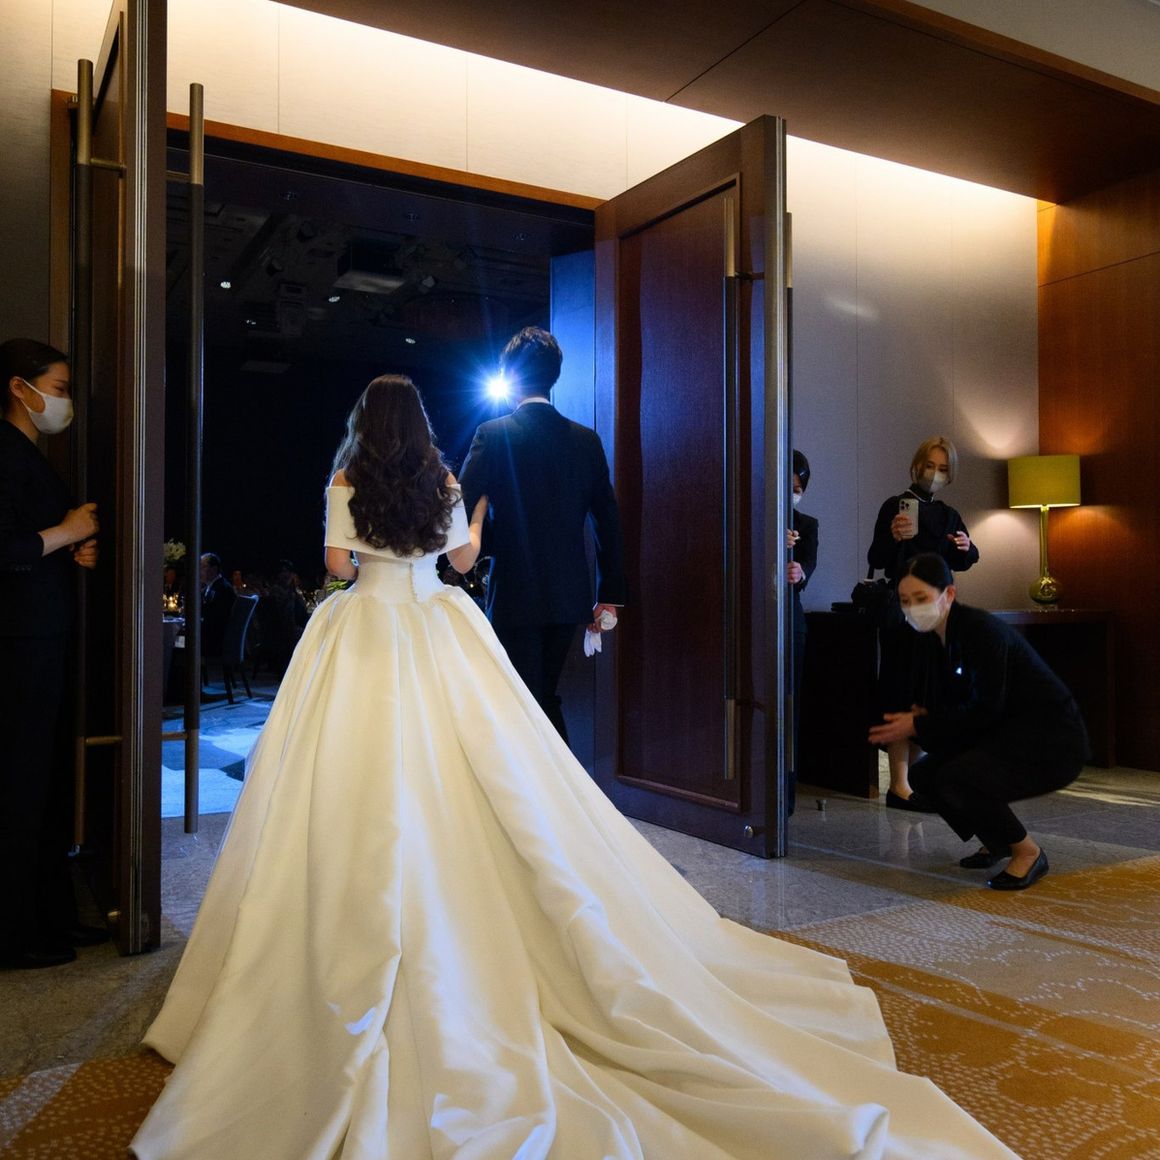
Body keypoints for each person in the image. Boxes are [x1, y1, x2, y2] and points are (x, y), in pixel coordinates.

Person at [130, 373, 1016, 1159]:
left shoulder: (344, 480)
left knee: (351, 782)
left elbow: (337, 564)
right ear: (421, 425)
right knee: (488, 767)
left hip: (362, 628)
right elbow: (462, 562)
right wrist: (470, 525)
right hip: (438, 627)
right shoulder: (442, 480)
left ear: (365, 424)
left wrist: (373, 555)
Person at [869, 553, 1087, 890]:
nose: (912, 608)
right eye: (905, 601)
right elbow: (950, 706)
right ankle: (996, 840)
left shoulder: (981, 631)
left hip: (1050, 741)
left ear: (948, 594)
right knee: (924, 775)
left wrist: (921, 725)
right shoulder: (933, 638)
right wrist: (923, 718)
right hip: (1002, 734)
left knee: (958, 777)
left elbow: (985, 709)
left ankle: (1028, 853)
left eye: (921, 598)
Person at [459, 326, 625, 744]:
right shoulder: (586, 441)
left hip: (514, 591)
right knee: (541, 696)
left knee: (523, 700)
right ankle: (558, 783)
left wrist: (484, 544)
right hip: (569, 594)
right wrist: (610, 593)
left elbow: (459, 507)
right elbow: (608, 520)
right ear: (555, 375)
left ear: (509, 375)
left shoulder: (493, 434)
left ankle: (552, 784)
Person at [0, 338, 104, 970]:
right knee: (19, 785)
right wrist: (69, 531)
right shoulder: (4, 452)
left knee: (42, 784)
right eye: (59, 390)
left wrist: (71, 547)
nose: (65, 403)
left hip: (40, 638)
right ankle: (13, 935)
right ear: (20, 388)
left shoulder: (30, 455)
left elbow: (34, 543)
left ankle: (47, 916)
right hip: (17, 645)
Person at [867, 435, 979, 810]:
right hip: (903, 613)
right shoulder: (894, 506)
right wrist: (894, 536)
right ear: (917, 466)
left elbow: (965, 557)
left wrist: (967, 547)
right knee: (901, 692)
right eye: (930, 466)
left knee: (926, 696)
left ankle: (911, 781)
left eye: (943, 469)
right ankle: (898, 784)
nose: (935, 474)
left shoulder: (949, 515)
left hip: (937, 616)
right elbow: (877, 556)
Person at [786, 449, 818, 816]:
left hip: (791, 621)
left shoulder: (806, 525)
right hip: (754, 619)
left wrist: (799, 571)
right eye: (788, 486)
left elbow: (807, 566)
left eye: (798, 488)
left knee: (789, 706)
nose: (793, 493)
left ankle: (787, 797)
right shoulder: (753, 514)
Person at [198, 551, 236, 657]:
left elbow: (215, 619)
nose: (199, 571)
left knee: (178, 643)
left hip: (214, 642)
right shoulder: (211, 587)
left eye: (202, 567)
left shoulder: (223, 589)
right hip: (211, 637)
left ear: (214, 569)